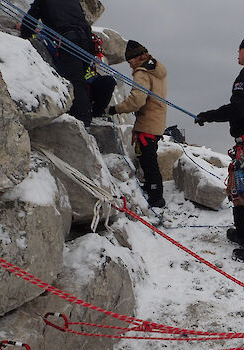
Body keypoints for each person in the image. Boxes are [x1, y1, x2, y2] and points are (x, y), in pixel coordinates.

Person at [196, 32, 244, 263]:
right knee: (239, 191)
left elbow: (238, 109)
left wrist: (208, 116)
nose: (237, 53)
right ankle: (243, 234)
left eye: (239, 49)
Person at [108, 40, 167, 208]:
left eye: (130, 61)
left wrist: (115, 109)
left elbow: (137, 100)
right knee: (149, 158)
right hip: (157, 121)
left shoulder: (141, 73)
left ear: (137, 57)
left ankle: (156, 197)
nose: (130, 65)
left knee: (148, 160)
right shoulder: (156, 69)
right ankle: (153, 190)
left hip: (147, 122)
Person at [19, 0, 94, 126]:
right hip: (85, 42)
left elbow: (30, 21)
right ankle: (85, 113)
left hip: (68, 40)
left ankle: (82, 119)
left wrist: (25, 33)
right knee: (81, 79)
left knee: (75, 81)